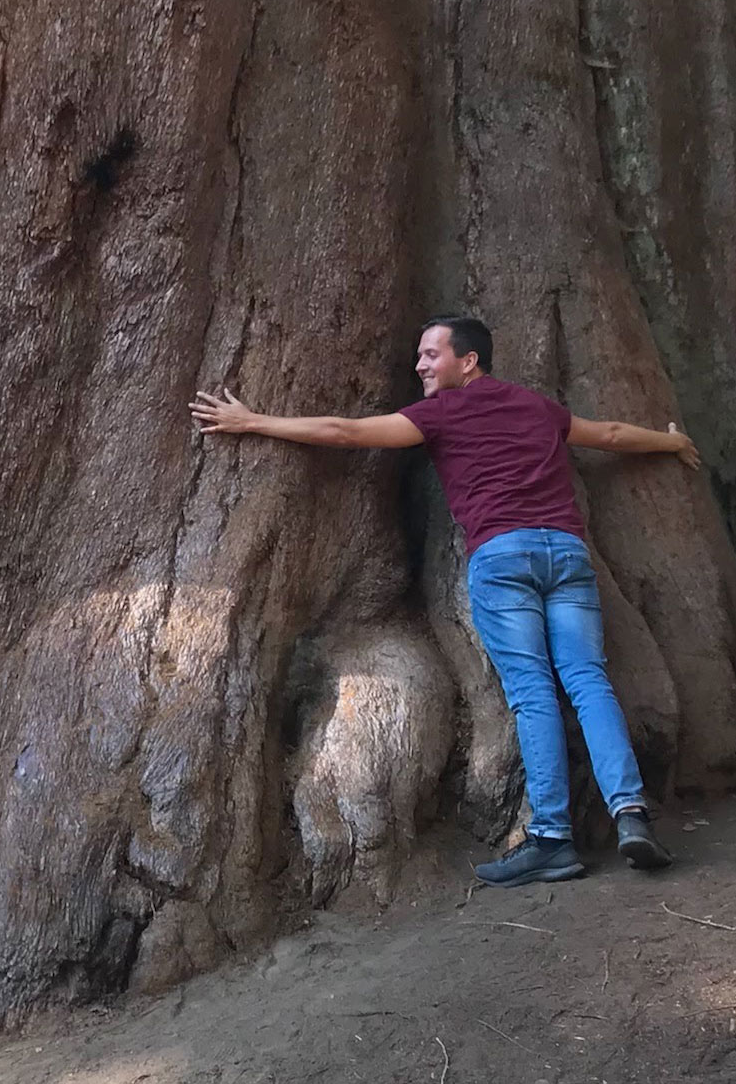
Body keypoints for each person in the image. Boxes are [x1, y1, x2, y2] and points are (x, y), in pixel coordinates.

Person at [188, 315, 699, 888]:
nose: (420, 365)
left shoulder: (442, 414)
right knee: (588, 682)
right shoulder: (536, 407)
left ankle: (553, 838)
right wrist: (673, 441)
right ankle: (630, 815)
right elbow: (608, 435)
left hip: (504, 561)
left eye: (432, 354)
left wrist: (251, 420)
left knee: (533, 696)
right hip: (568, 555)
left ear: (469, 361)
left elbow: (345, 433)